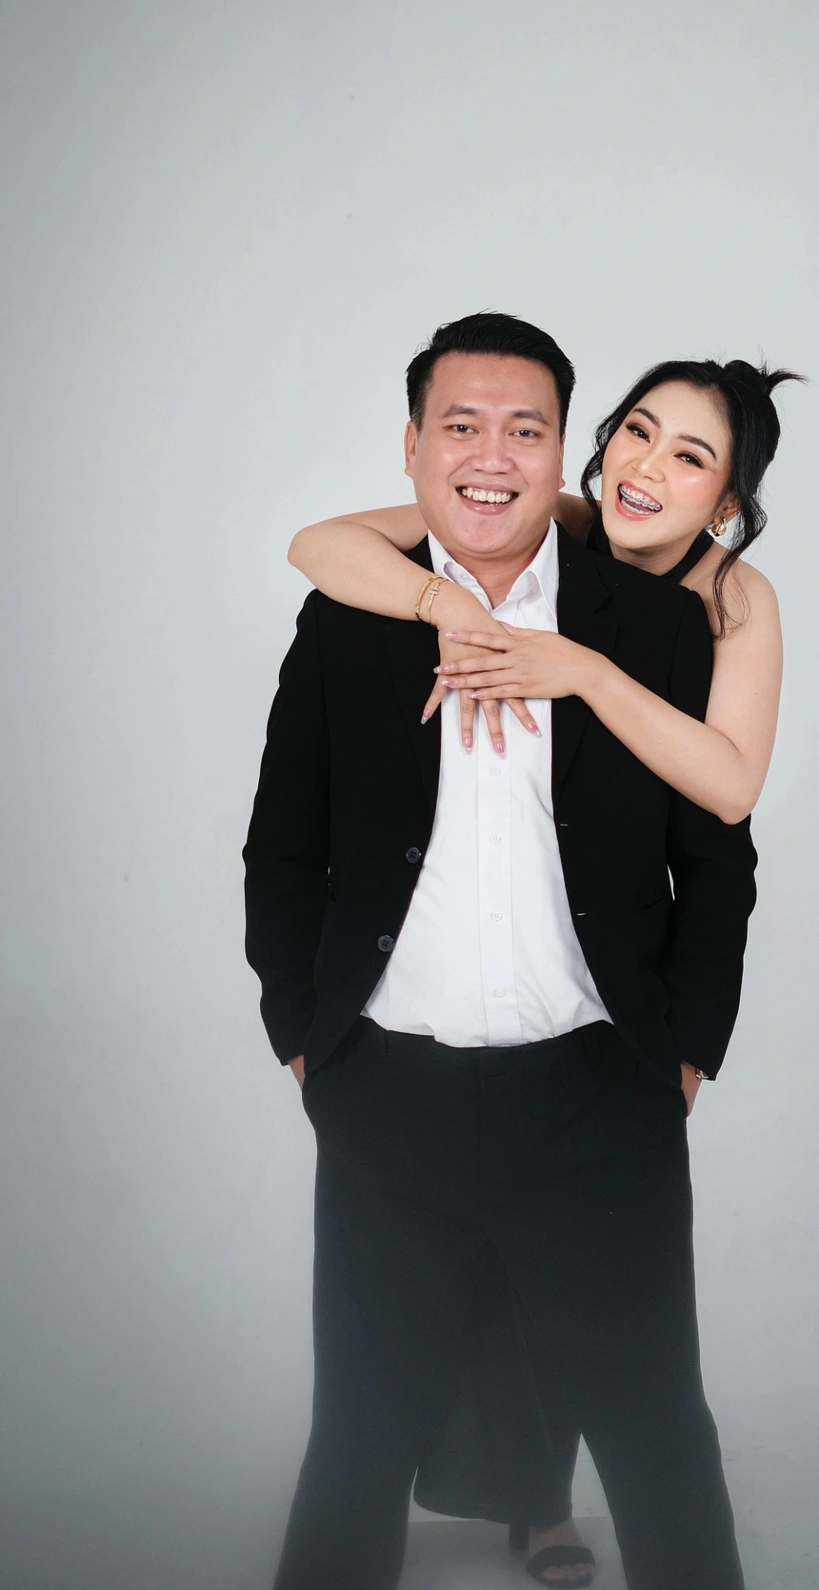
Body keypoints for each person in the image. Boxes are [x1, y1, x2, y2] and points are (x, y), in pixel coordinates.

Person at [244, 310, 765, 1590]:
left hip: (599, 1099)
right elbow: (281, 848)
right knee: (357, 1442)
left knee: (657, 1435)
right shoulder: (347, 620)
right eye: (460, 426)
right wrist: (306, 1037)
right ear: (412, 448)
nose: (491, 455)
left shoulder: (660, 625)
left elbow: (717, 857)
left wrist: (685, 1051)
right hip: (385, 1097)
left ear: (556, 449)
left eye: (523, 429)